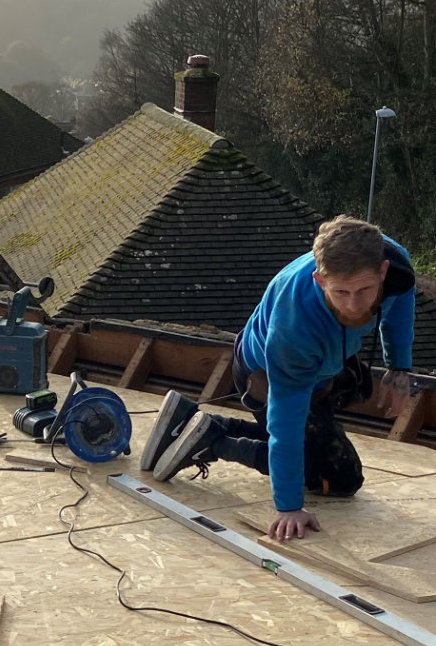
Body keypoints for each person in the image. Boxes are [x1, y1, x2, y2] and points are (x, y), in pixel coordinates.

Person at [144, 216, 415, 540]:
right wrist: (289, 507)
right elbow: (287, 421)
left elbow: (401, 304)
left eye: (364, 290)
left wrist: (399, 367)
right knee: (341, 479)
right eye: (341, 292)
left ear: (383, 271)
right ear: (319, 280)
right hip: (264, 376)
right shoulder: (294, 328)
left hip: (325, 361)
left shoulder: (396, 265)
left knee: (347, 396)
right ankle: (211, 442)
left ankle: (197, 422)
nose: (354, 305)